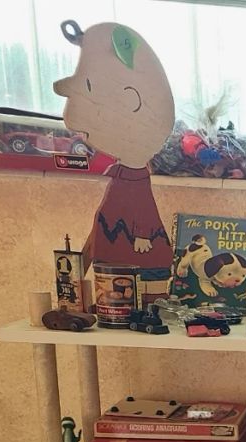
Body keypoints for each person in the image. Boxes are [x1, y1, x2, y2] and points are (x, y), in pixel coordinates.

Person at [53, 20, 175, 273]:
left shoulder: (135, 176)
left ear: (132, 101)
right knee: (111, 277)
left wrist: (142, 234)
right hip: (115, 246)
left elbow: (144, 205)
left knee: (137, 277)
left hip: (136, 248)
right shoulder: (122, 173)